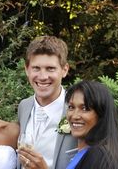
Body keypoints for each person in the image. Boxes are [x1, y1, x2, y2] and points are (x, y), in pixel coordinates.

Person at [16, 36, 76, 169]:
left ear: (64, 70)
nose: (43, 77)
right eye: (36, 68)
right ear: (27, 69)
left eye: (50, 69)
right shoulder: (24, 106)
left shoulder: (79, 110)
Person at [64, 80, 118, 169]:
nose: (75, 116)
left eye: (84, 108)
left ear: (101, 114)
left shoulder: (98, 155)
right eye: (71, 107)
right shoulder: (89, 152)